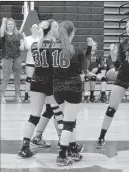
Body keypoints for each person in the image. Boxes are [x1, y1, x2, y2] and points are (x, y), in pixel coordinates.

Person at [96, 18, 129, 149]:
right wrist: (112, 54)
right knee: (111, 108)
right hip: (122, 77)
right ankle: (101, 137)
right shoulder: (123, 44)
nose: (128, 28)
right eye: (127, 26)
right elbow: (118, 65)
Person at [18, 19, 64, 158]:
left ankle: (25, 147)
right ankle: (66, 144)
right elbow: (58, 66)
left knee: (33, 117)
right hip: (50, 82)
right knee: (59, 115)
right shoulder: (55, 44)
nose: (58, 28)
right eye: (56, 26)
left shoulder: (34, 44)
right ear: (49, 29)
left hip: (37, 81)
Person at [51, 20, 89, 166]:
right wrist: (90, 50)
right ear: (72, 33)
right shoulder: (76, 49)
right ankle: (62, 155)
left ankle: (73, 149)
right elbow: (85, 67)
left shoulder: (52, 48)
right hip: (73, 87)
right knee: (69, 123)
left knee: (68, 120)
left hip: (57, 89)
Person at [0, 17, 24, 103]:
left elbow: (22, 42)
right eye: (8, 24)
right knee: (6, 77)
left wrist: (22, 45)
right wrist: (3, 22)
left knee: (17, 77)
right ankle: (2, 96)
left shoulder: (18, 33)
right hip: (7, 58)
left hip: (17, 57)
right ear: (6, 25)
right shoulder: (4, 34)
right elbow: (1, 34)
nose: (10, 25)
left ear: (14, 25)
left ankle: (17, 95)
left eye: (12, 24)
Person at [83, 38, 108, 103]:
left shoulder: (98, 55)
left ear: (96, 47)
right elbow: (83, 64)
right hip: (88, 72)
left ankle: (103, 95)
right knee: (93, 77)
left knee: (104, 78)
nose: (93, 46)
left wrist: (97, 68)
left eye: (94, 45)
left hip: (96, 72)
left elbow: (102, 65)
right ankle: (91, 95)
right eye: (92, 45)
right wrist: (88, 71)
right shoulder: (87, 54)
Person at [23, 24, 39, 102]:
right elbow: (28, 47)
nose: (35, 29)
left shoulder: (41, 38)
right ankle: (26, 96)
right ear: (31, 29)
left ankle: (37, 96)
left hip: (39, 62)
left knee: (38, 79)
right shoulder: (27, 38)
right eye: (33, 27)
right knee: (29, 78)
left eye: (37, 28)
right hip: (30, 61)